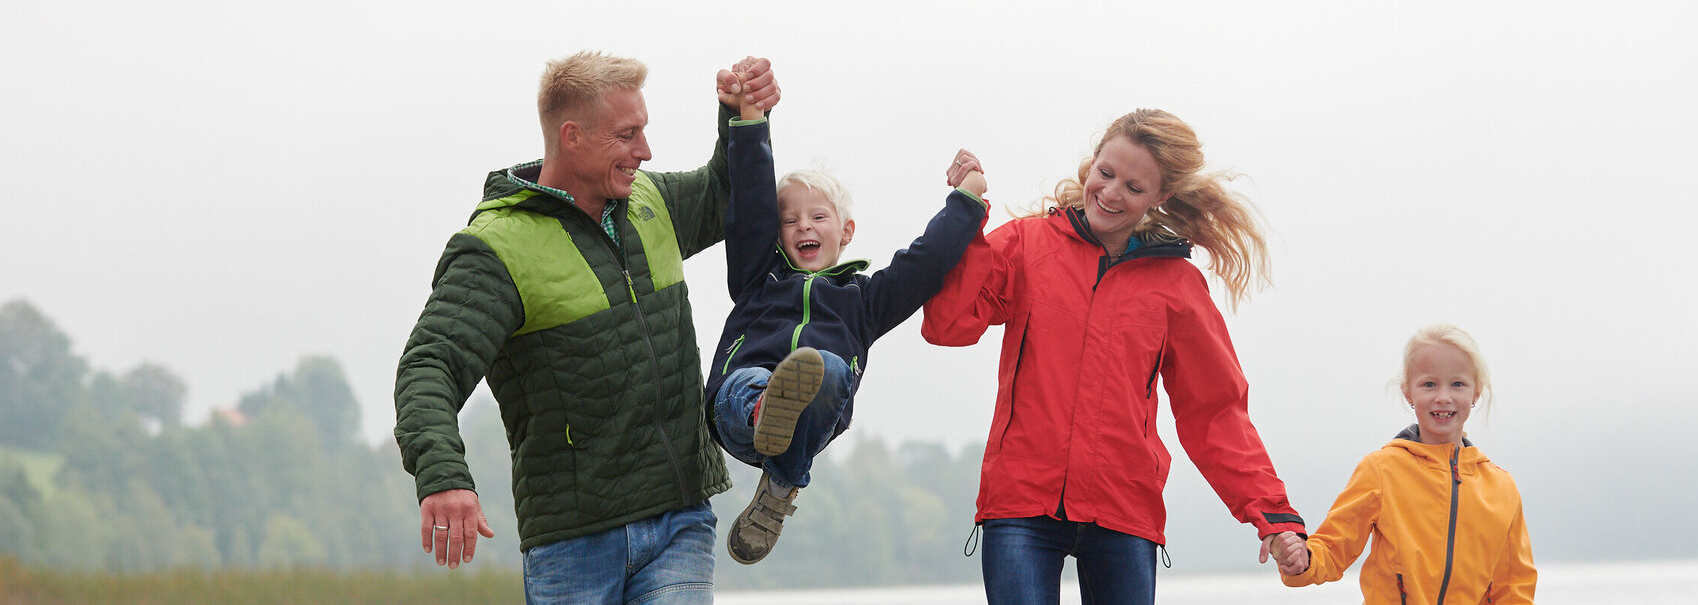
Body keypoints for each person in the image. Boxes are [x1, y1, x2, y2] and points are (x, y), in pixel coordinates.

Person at [393, 51, 778, 604]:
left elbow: (731, 194)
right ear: (571, 136)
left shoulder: (654, 201)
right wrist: (443, 475)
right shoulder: (496, 248)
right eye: (627, 135)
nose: (644, 151)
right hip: (571, 543)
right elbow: (428, 365)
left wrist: (744, 117)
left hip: (681, 519)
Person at [921, 109, 1307, 604]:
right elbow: (947, 325)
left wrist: (1271, 516)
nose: (1110, 193)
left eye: (1134, 187)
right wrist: (966, 212)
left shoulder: (1178, 286)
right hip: (1021, 505)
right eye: (1105, 174)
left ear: (1160, 197)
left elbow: (1215, 413)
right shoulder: (1027, 245)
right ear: (1091, 165)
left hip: (1123, 509)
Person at [704, 81, 990, 564]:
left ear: (846, 232)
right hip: (738, 411)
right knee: (751, 381)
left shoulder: (865, 301)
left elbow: (923, 263)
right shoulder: (758, 276)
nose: (804, 227)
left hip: (810, 420)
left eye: (818, 217)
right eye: (790, 221)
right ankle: (766, 420)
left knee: (827, 368)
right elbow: (751, 208)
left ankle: (778, 484)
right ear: (777, 236)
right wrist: (751, 121)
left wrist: (967, 200)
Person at [1274, 323, 1536, 603]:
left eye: (1457, 384)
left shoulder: (1502, 488)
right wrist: (1303, 560)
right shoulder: (1381, 470)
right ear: (1408, 392)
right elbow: (1333, 547)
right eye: (1429, 384)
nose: (1443, 396)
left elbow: (1514, 586)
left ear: (1476, 393)